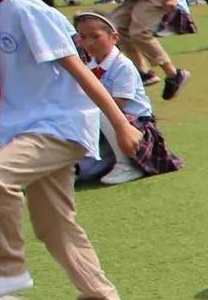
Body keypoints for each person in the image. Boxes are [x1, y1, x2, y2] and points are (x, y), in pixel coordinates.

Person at [0, 0, 136, 300]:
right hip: (25, 128)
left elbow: (80, 72)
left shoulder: (26, 8)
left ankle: (6, 269)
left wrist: (120, 124)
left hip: (60, 126)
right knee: (54, 223)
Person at [72, 11, 182, 183]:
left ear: (114, 37)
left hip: (136, 127)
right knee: (85, 172)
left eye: (95, 36)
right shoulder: (89, 65)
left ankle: (127, 164)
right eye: (83, 37)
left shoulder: (123, 66)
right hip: (105, 128)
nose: (89, 43)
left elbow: (119, 103)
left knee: (102, 109)